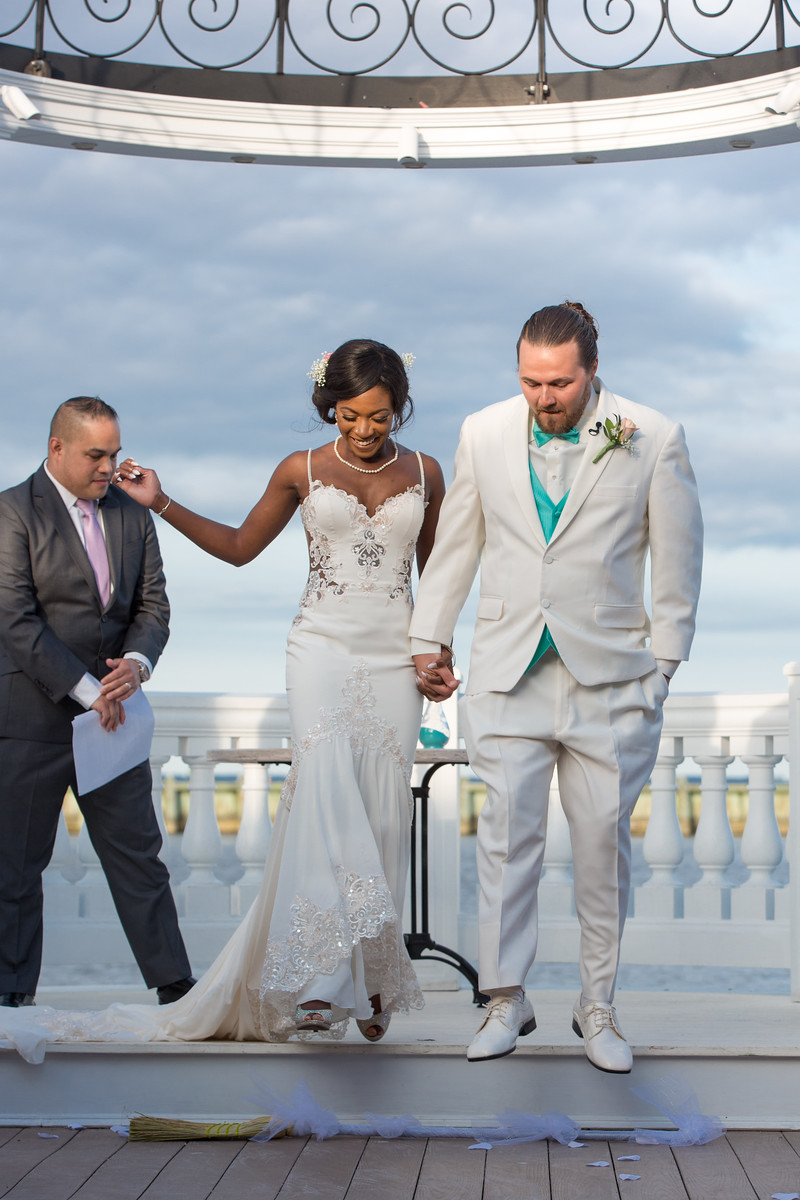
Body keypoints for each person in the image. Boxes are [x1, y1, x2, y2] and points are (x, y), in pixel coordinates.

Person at [0, 339, 445, 1061]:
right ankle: (318, 982)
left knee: (383, 810)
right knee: (327, 801)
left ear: (400, 406)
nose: (364, 429)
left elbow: (440, 576)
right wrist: (163, 502)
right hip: (318, 652)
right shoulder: (299, 470)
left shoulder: (426, 473)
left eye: (379, 416)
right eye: (349, 415)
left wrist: (437, 652)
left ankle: (370, 977)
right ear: (330, 407)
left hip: (395, 660)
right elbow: (238, 547)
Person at [410, 302, 703, 1073]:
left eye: (561, 383)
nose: (545, 397)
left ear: (592, 370)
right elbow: (457, 544)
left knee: (602, 846)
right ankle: (504, 998)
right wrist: (428, 638)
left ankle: (597, 1005)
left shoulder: (652, 435)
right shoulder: (482, 431)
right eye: (531, 381)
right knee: (506, 843)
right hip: (507, 671)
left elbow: (678, 559)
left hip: (612, 679)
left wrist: (663, 667)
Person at [0, 396, 194, 1010]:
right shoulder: (10, 511)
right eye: (95, 455)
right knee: (14, 868)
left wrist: (135, 666)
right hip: (31, 719)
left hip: (114, 723)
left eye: (114, 453)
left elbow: (153, 606)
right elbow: (15, 620)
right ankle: (10, 1003)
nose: (109, 466)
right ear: (56, 448)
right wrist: (91, 693)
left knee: (139, 858)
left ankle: (177, 992)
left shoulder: (133, 514)